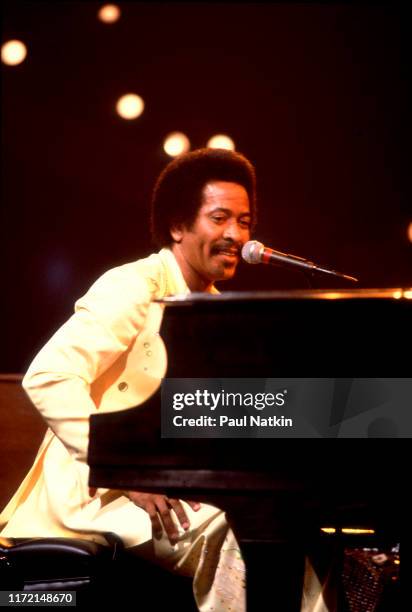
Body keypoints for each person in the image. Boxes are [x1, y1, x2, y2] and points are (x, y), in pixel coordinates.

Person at [0, 147, 257, 611]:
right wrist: (124, 468)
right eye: (221, 219)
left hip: (169, 491)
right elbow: (49, 375)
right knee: (240, 531)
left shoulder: (219, 313)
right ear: (178, 226)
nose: (236, 235)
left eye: (244, 221)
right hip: (98, 494)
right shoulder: (134, 285)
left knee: (286, 527)